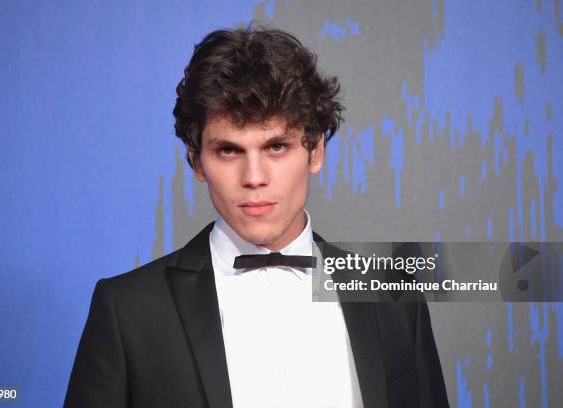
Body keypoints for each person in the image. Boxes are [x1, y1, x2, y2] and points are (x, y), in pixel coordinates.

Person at [64, 26, 449, 408]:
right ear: (196, 161)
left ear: (315, 152)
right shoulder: (129, 309)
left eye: (277, 147)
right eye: (229, 151)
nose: (254, 178)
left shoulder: (394, 296)